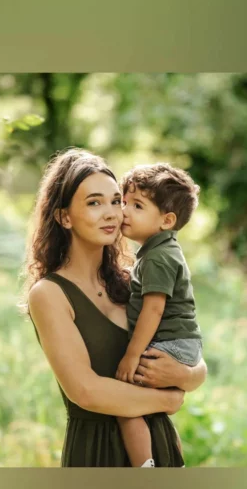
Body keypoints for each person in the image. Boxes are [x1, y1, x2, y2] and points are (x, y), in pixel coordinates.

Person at [21, 148, 207, 467]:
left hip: (157, 444)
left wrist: (184, 375)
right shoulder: (49, 294)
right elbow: (86, 391)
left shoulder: (132, 279)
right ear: (64, 216)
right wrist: (168, 398)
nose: (111, 213)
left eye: (116, 201)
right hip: (97, 451)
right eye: (94, 203)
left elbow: (195, 359)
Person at [115, 163, 202, 468]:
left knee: (127, 404)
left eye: (137, 206)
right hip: (182, 343)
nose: (124, 211)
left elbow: (154, 310)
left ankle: (145, 467)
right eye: (124, 202)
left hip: (172, 344)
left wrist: (131, 354)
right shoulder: (158, 252)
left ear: (166, 220)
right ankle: (170, 459)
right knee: (154, 411)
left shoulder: (158, 257)